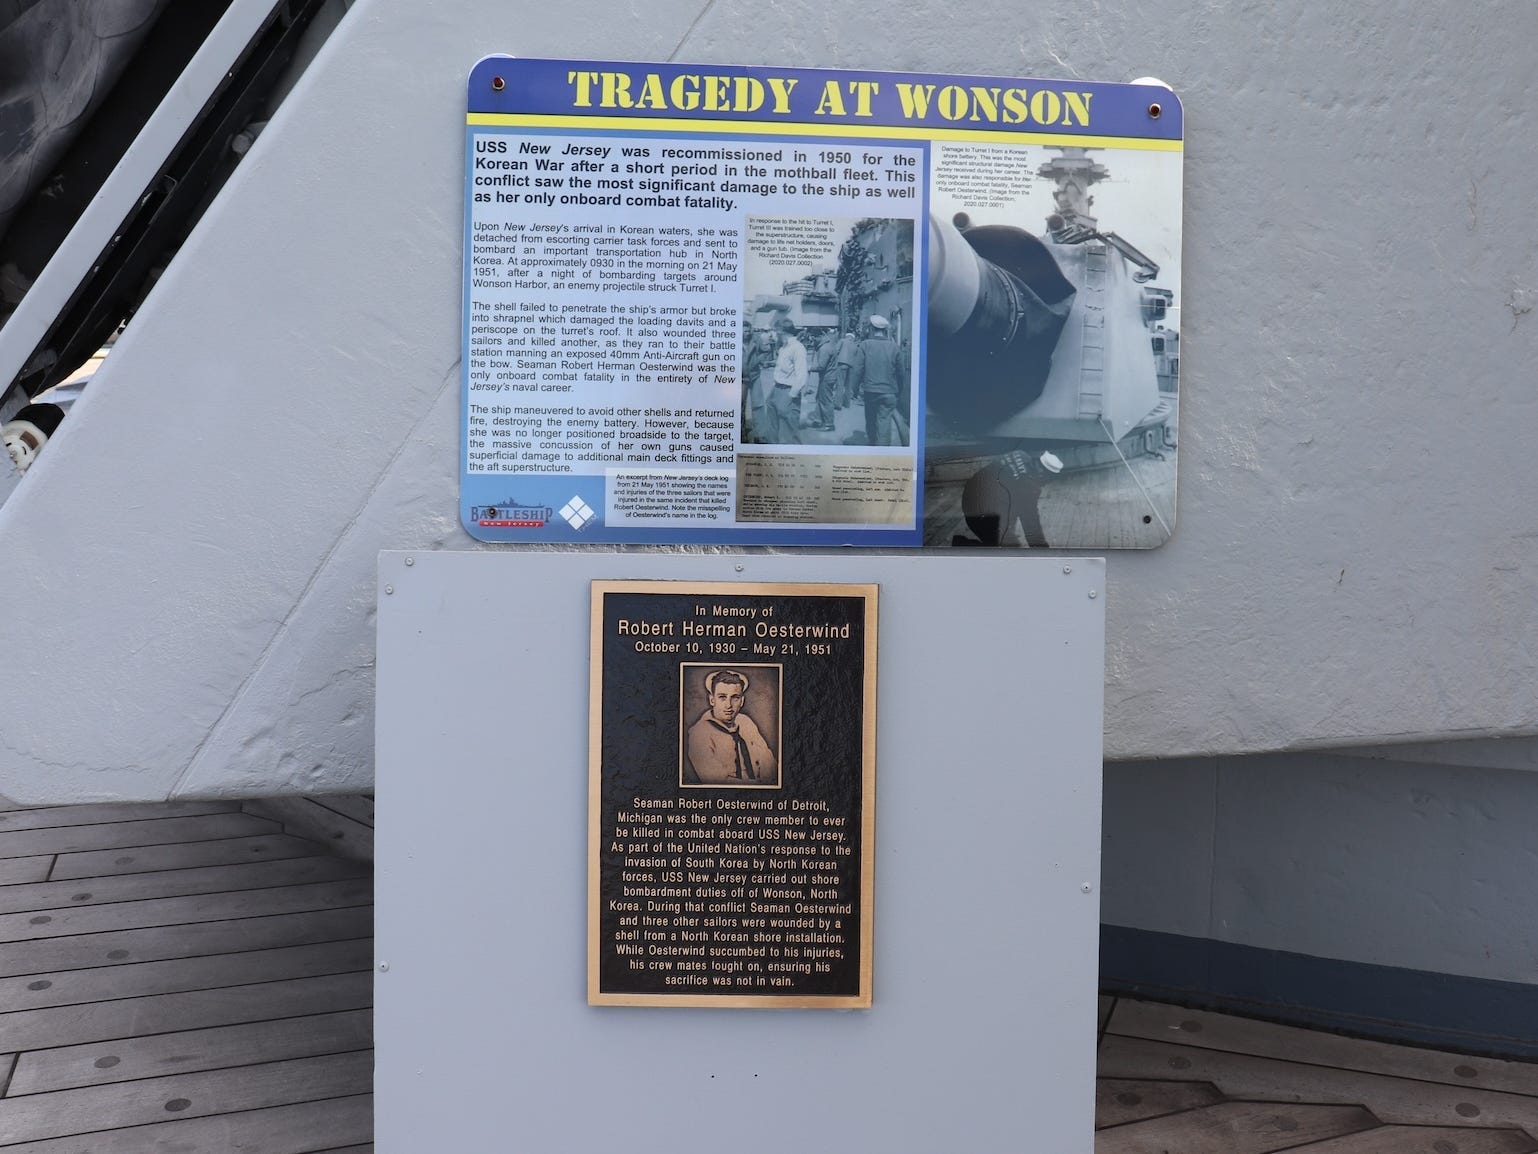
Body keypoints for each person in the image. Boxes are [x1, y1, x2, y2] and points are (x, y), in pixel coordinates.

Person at [685, 669, 778, 786]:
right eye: (722, 697)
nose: (729, 705)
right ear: (712, 700)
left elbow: (769, 762)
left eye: (735, 698)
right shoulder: (699, 734)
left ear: (742, 701)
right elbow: (717, 782)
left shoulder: (746, 722)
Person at [849, 314, 906, 446]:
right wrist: (898, 391)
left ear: (871, 328)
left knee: (871, 421)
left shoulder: (865, 345)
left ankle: (873, 446)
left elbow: (857, 370)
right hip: (890, 393)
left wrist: (854, 390)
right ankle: (882, 451)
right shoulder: (894, 347)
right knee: (884, 424)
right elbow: (901, 373)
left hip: (870, 392)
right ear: (884, 330)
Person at [763, 316, 807, 444]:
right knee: (772, 426)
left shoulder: (797, 348)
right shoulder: (783, 347)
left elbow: (801, 375)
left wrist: (791, 396)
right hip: (776, 389)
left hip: (787, 391)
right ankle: (772, 449)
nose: (774, 335)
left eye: (775, 332)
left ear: (781, 332)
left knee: (789, 432)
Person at [813, 331, 839, 430]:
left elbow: (821, 366)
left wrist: (810, 367)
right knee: (820, 398)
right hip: (829, 376)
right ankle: (818, 419)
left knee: (826, 400)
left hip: (827, 377)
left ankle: (829, 424)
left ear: (820, 336)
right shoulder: (828, 344)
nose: (813, 340)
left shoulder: (824, 348)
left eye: (814, 337)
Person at [834, 329, 860, 409]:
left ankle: (837, 404)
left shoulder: (842, 341)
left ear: (847, 336)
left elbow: (835, 351)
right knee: (848, 386)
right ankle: (846, 403)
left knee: (840, 384)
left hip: (841, 363)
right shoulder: (855, 345)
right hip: (851, 366)